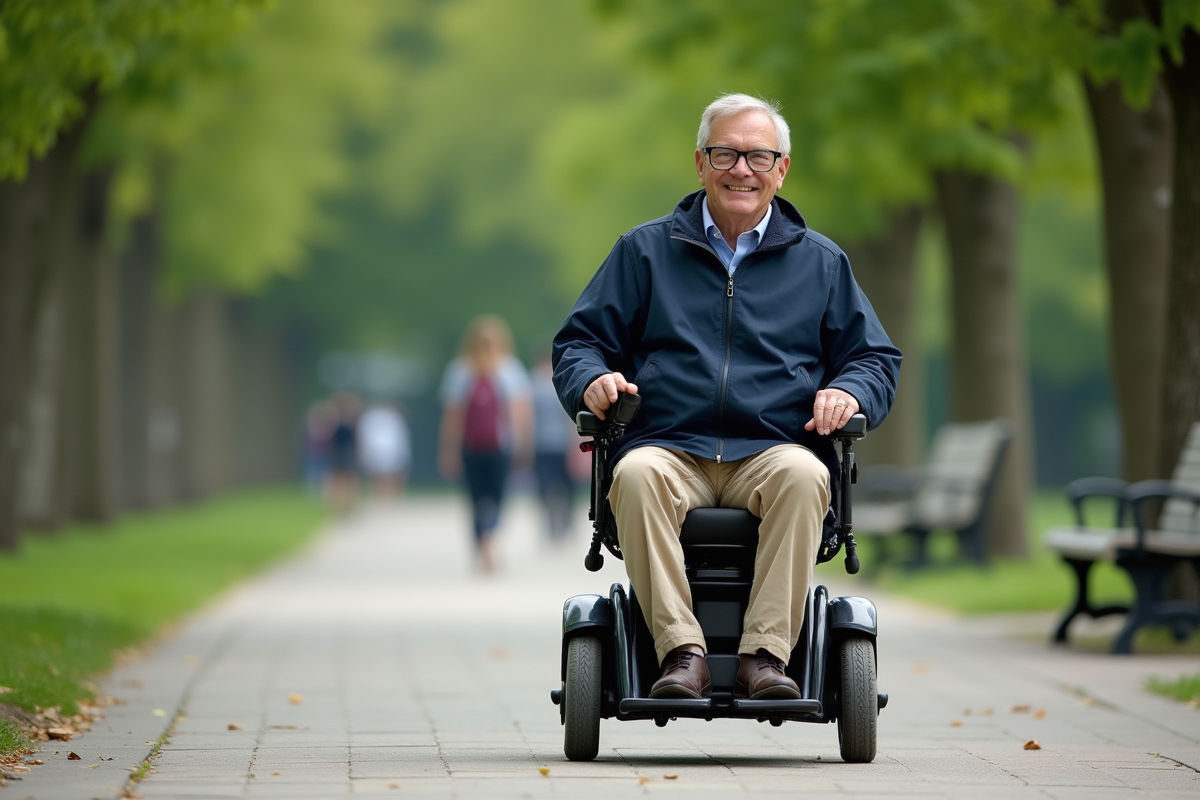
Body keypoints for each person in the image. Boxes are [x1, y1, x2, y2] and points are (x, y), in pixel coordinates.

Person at [552, 94, 901, 701]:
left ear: (782, 168)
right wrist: (592, 380)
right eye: (726, 154)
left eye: (758, 156)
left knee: (802, 475)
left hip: (773, 447)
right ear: (700, 162)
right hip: (668, 446)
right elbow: (579, 343)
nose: (742, 169)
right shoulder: (644, 251)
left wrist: (849, 390)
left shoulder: (821, 263)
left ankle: (765, 657)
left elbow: (875, 358)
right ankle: (681, 652)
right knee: (633, 475)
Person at [438, 315, 533, 573]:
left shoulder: (459, 371)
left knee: (475, 499)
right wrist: (523, 444)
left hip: (470, 447)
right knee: (498, 496)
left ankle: (482, 544)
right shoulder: (510, 369)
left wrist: (448, 450)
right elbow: (520, 413)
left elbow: (453, 416)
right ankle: (491, 537)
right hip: (500, 446)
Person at [531, 353, 578, 543]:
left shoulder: (531, 383)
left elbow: (526, 418)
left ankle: (550, 521)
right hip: (563, 443)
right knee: (567, 486)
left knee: (544, 485)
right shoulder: (562, 381)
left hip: (540, 444)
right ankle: (566, 521)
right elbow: (570, 416)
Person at [357, 402, 411, 498]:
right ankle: (385, 496)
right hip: (382, 450)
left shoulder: (374, 417)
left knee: (387, 475)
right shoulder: (375, 417)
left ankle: (389, 496)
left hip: (383, 450)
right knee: (383, 475)